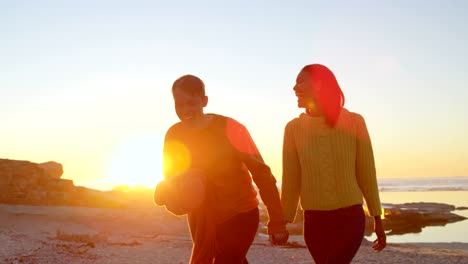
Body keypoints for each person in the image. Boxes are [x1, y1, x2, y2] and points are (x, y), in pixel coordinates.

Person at [155, 74, 289, 264]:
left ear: (204, 101)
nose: (185, 110)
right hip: (202, 219)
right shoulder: (174, 134)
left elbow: (262, 173)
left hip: (240, 215)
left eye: (191, 103)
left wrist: (277, 220)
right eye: (179, 104)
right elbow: (172, 176)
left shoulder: (231, 128)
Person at [281, 64, 386, 264]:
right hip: (314, 221)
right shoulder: (293, 129)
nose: (295, 88)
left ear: (320, 85)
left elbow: (367, 173)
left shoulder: (355, 122)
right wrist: (282, 222)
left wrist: (378, 219)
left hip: (349, 218)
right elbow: (291, 179)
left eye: (301, 81)